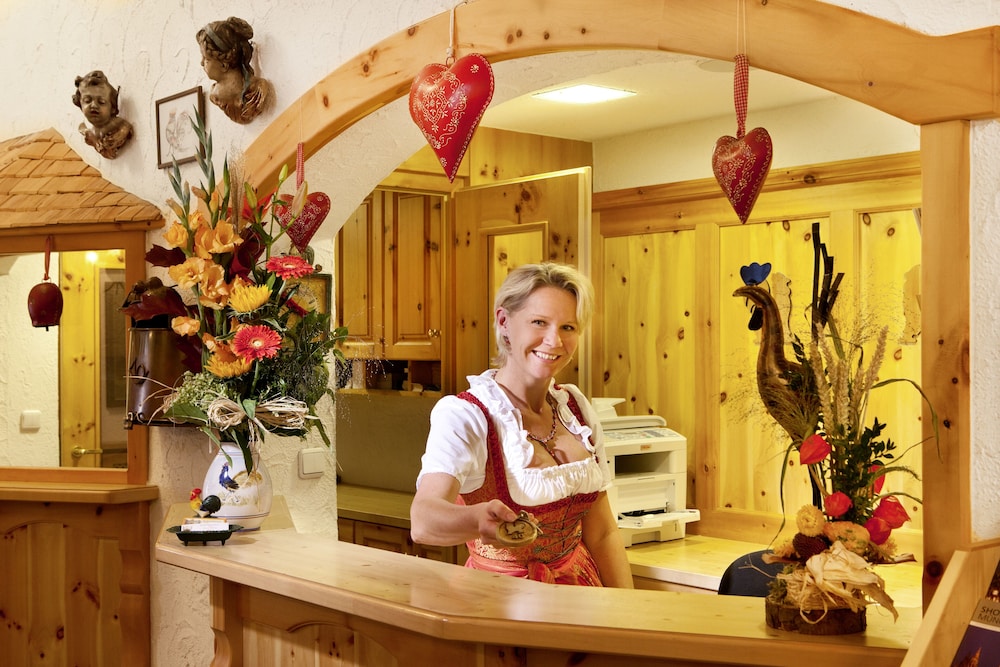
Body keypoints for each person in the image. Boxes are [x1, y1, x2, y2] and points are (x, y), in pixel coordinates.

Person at [410, 262, 634, 588]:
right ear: (504, 322)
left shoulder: (576, 409)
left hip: (583, 592)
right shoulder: (466, 415)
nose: (554, 340)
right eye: (539, 322)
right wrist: (477, 519)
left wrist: (628, 609)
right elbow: (423, 521)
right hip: (501, 599)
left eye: (568, 327)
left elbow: (602, 533)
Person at [196, 17, 273, 124]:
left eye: (206, 59)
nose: (201, 63)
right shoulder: (215, 96)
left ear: (224, 65)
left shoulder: (256, 91)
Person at [72, 71, 133, 159]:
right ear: (80, 104)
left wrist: (119, 135)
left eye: (101, 102)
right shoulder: (87, 128)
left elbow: (126, 126)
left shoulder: (115, 124)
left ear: (113, 108)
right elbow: (82, 128)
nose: (94, 105)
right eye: (87, 101)